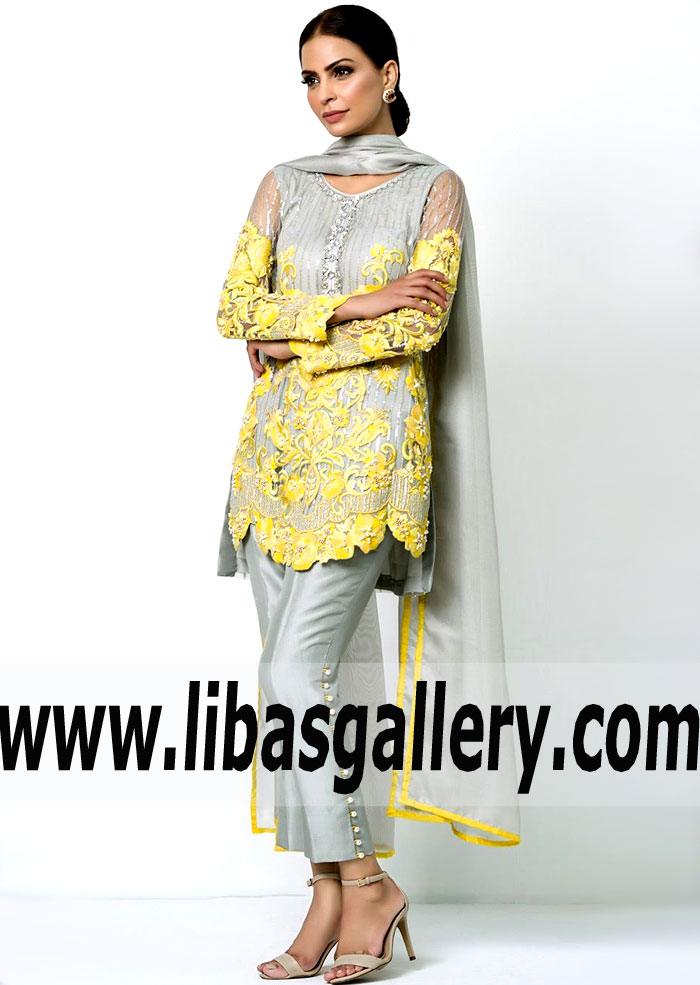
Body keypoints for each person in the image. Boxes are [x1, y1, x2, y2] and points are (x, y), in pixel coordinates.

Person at [215, 6, 521, 981]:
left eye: (341, 70)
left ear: (388, 74)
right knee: (291, 687)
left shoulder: (435, 188)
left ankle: (368, 883)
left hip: (368, 468)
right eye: (309, 78)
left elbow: (417, 328)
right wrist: (353, 303)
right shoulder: (282, 184)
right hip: (274, 467)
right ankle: (326, 893)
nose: (323, 94)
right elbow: (232, 310)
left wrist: (291, 336)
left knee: (295, 674)